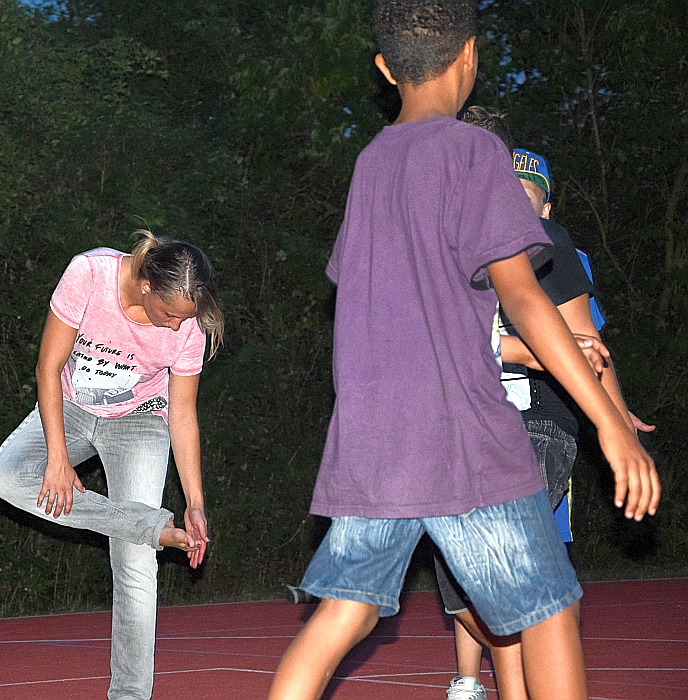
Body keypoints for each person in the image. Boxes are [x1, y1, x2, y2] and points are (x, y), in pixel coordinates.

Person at [265, 3, 660, 700]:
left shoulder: (370, 162)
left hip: (370, 439)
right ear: (470, 54)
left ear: (385, 68)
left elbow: (368, 300)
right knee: (548, 611)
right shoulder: (474, 151)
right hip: (460, 435)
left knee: (342, 616)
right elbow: (525, 297)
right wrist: (609, 422)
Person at [436, 126, 643, 700]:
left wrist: (616, 418)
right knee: (469, 583)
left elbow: (589, 343)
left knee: (513, 572)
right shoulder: (456, 249)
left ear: (545, 207)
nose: (515, 199)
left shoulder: (555, 244)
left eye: (528, 193)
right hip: (469, 432)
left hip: (538, 425)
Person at [0, 230, 222, 700]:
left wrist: (195, 502)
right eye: (170, 315)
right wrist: (58, 458)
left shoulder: (190, 325)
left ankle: (130, 695)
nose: (177, 326)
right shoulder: (89, 275)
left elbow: (182, 413)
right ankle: (145, 525)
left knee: (135, 560)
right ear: (146, 286)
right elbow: (48, 366)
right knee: (9, 478)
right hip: (70, 408)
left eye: (185, 318)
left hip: (139, 420)